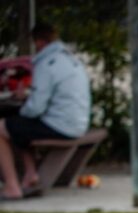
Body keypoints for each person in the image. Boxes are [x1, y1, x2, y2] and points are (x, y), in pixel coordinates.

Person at [0, 22, 90, 200]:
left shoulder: (46, 63)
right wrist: (26, 102)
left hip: (61, 125)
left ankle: (12, 186)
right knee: (17, 126)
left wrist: (23, 103)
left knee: (3, 128)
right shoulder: (70, 59)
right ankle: (30, 175)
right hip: (77, 122)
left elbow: (35, 109)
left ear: (39, 42)